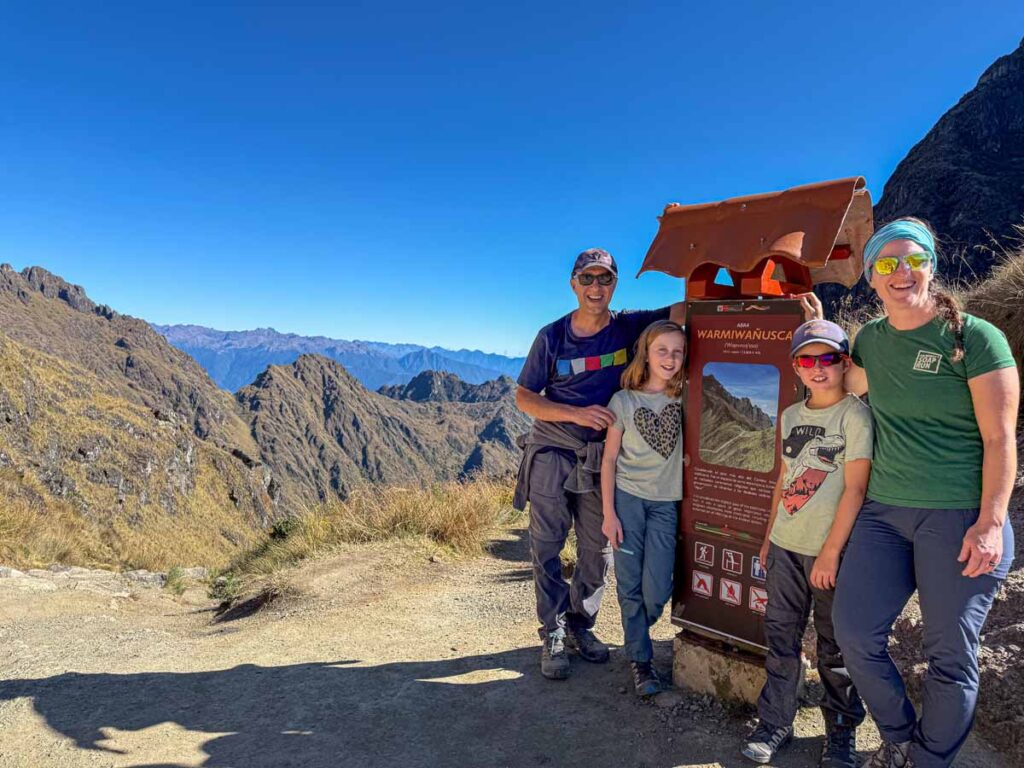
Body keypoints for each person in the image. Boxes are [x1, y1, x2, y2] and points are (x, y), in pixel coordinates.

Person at [813, 218, 1018, 768]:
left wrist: (992, 522)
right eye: (886, 264)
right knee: (854, 633)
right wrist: (818, 336)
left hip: (959, 516)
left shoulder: (973, 337)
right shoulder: (871, 342)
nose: (901, 273)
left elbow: (1000, 438)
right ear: (871, 278)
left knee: (948, 654)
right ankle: (902, 739)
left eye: (913, 260)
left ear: (932, 264)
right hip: (884, 513)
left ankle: (929, 760)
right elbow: (847, 382)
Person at [513, 248, 684, 680]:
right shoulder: (551, 337)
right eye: (587, 279)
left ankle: (580, 624)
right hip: (553, 450)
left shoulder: (629, 326)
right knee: (547, 545)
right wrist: (576, 413)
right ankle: (552, 631)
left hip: (598, 459)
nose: (595, 287)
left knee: (597, 549)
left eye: (604, 279)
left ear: (614, 285)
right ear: (573, 284)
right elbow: (524, 397)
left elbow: (685, 309)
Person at [741, 320, 871, 767]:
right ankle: (775, 721)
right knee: (781, 637)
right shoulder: (791, 416)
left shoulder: (854, 415)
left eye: (828, 358)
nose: (817, 368)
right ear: (795, 367)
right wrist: (767, 537)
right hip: (784, 545)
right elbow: (784, 479)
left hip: (828, 550)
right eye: (807, 359)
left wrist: (831, 552)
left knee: (836, 646)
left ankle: (840, 731)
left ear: (844, 363)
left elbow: (855, 488)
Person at [599, 319, 686, 696]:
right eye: (662, 350)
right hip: (628, 500)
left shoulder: (685, 397)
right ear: (646, 354)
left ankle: (639, 630)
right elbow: (609, 460)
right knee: (629, 585)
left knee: (657, 589)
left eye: (677, 352)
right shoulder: (623, 401)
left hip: (666, 503)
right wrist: (608, 514)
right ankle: (641, 661)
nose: (670, 358)